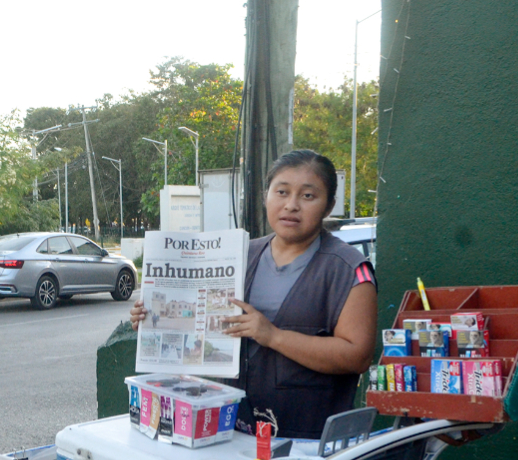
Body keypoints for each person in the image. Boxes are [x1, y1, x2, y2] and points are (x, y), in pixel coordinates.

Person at [131, 149, 377, 439]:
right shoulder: (237, 254)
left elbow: (357, 356)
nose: (292, 205)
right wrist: (151, 320)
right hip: (230, 429)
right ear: (266, 196)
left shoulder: (349, 270)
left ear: (329, 205)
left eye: (308, 196)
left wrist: (273, 336)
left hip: (305, 438)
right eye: (282, 192)